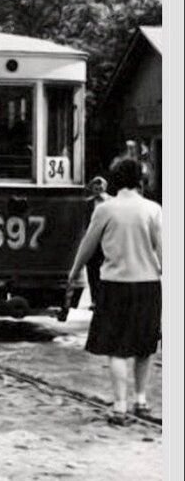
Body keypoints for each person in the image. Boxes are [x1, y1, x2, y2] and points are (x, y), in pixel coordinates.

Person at [67, 158, 162, 425]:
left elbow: (88, 246)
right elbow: (165, 253)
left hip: (114, 285)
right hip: (148, 285)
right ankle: (141, 401)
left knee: (117, 348)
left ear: (116, 181)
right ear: (141, 181)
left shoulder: (105, 210)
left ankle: (119, 406)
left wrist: (74, 272)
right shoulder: (153, 210)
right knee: (144, 346)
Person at [84, 176, 111, 312]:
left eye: (100, 187)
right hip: (93, 241)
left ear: (105, 188)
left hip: (108, 240)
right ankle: (95, 300)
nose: (98, 190)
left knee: (107, 270)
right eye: (95, 187)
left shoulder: (112, 202)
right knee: (92, 271)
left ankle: (107, 299)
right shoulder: (87, 203)